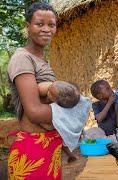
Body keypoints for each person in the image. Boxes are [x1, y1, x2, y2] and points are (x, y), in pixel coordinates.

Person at [7, 2, 62, 179]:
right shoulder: (22, 59)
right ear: (28, 26)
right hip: (32, 149)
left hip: (50, 146)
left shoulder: (42, 60)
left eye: (51, 25)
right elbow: (35, 112)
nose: (46, 29)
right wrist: (72, 115)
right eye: (39, 24)